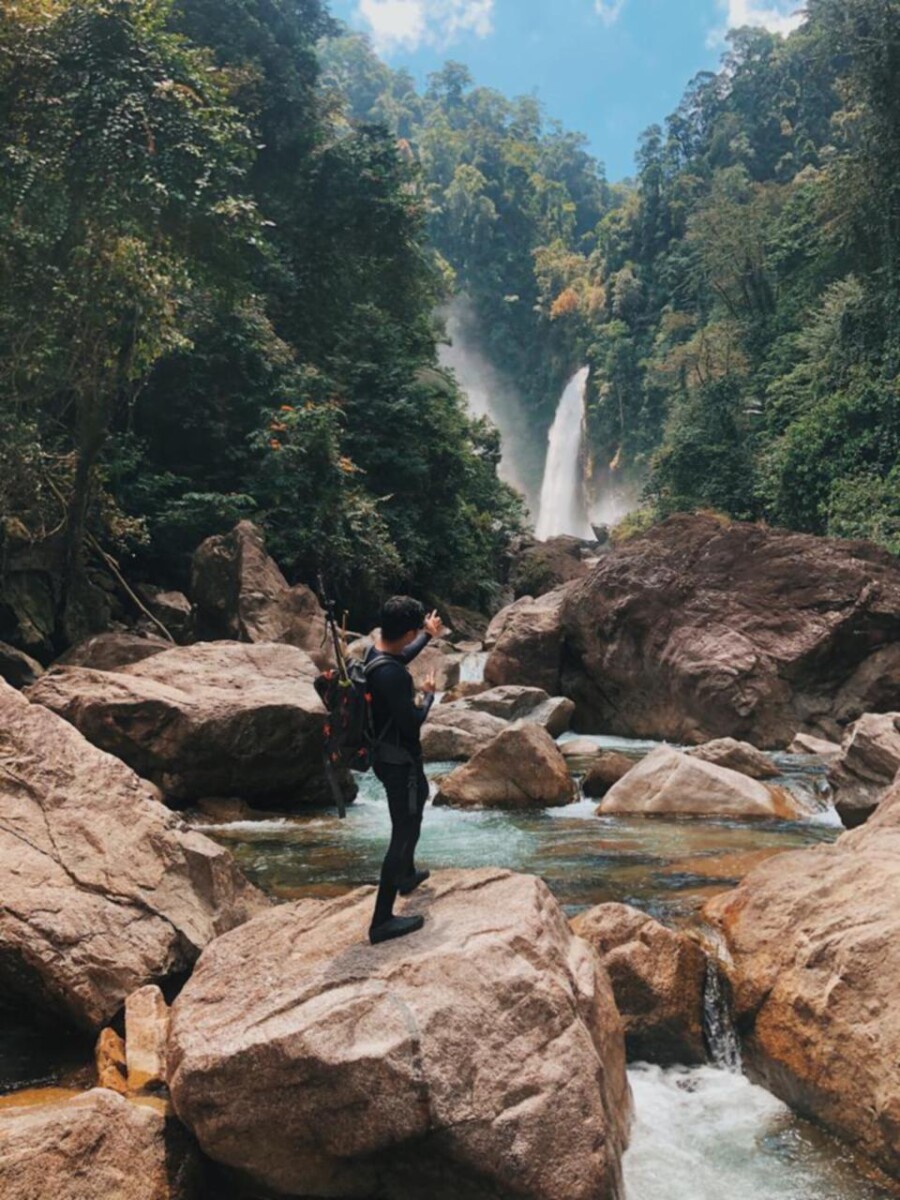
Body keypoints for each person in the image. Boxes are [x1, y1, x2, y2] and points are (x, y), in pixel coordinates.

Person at [365, 596, 448, 945]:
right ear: (408, 630)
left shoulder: (376, 652)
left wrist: (427, 636)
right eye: (417, 632)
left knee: (416, 808)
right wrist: (428, 696)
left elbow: (400, 656)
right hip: (399, 761)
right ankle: (382, 920)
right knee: (404, 828)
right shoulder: (392, 675)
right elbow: (412, 723)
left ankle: (408, 874)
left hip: (387, 756)